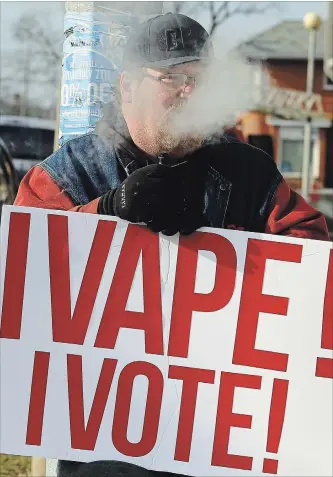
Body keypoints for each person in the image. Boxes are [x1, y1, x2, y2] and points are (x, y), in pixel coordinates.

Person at [14, 12, 329, 477]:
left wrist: (227, 251)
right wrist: (106, 212)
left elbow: (310, 253)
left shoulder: (248, 173)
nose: (189, 91)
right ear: (127, 87)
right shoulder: (70, 173)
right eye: (173, 77)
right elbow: (23, 264)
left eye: (200, 79)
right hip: (102, 449)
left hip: (216, 440)